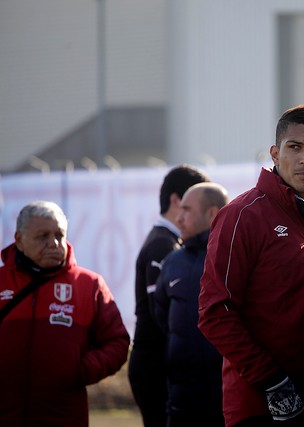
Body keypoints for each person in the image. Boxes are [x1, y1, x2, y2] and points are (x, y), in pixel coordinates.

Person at [198, 104, 304, 427]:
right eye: (294, 147)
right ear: (275, 154)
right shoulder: (242, 214)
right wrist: (272, 381)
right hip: (258, 406)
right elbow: (215, 313)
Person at [0, 200, 130, 427]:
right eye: (43, 236)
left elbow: (117, 342)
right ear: (19, 240)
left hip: (64, 417)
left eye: (59, 235)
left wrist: (81, 370)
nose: (54, 243)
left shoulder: (89, 285)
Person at [129, 163, 211, 427]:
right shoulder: (163, 244)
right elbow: (164, 315)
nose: (186, 214)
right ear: (176, 200)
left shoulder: (170, 241)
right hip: (154, 364)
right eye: (187, 204)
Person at [154, 182, 230, 427]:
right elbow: (163, 319)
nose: (179, 217)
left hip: (226, 401)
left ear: (212, 213)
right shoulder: (172, 261)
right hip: (181, 402)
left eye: (186, 209)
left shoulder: (235, 256)